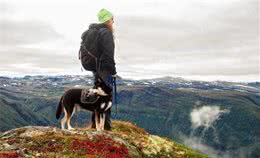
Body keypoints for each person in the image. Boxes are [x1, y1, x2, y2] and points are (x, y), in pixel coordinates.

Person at [90, 9, 116, 131]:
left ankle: (95, 125)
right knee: (106, 97)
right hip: (105, 70)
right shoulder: (106, 33)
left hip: (96, 69)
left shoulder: (96, 32)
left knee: (97, 97)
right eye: (112, 19)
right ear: (107, 20)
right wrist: (113, 71)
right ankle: (106, 127)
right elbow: (108, 54)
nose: (113, 21)